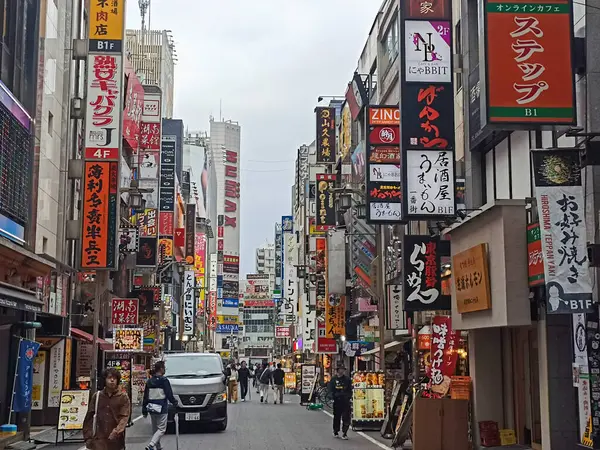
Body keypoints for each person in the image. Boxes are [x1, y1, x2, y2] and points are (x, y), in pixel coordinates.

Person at [83, 368, 131, 450]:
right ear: (104, 380)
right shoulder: (97, 396)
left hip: (116, 440)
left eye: (114, 378)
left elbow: (124, 417)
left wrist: (117, 431)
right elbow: (89, 417)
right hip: (98, 439)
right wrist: (88, 437)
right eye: (109, 378)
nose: (112, 380)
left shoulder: (123, 397)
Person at [141, 361, 179, 450]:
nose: (165, 369)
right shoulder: (164, 380)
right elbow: (169, 394)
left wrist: (144, 409)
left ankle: (158, 447)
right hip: (161, 407)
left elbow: (145, 396)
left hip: (151, 407)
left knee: (155, 429)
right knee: (162, 429)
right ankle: (151, 445)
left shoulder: (149, 381)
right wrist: (174, 402)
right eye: (164, 368)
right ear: (161, 369)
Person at [329, 364, 352, 440]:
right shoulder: (333, 379)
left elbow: (350, 390)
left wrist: (348, 397)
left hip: (345, 401)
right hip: (337, 400)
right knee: (337, 416)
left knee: (346, 417)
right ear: (338, 370)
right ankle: (336, 431)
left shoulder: (347, 379)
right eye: (341, 369)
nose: (342, 371)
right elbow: (331, 389)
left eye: (343, 369)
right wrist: (332, 397)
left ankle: (345, 433)